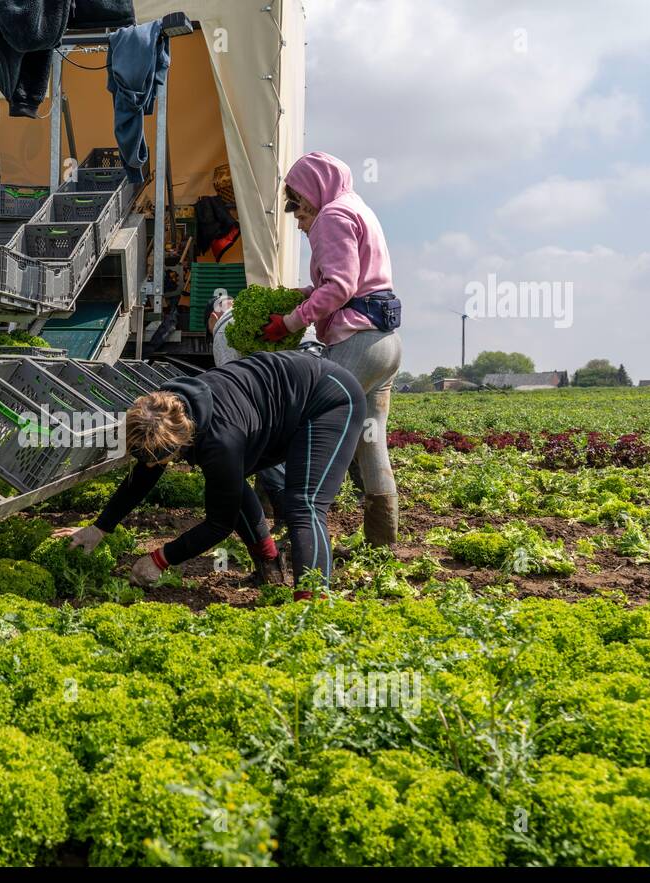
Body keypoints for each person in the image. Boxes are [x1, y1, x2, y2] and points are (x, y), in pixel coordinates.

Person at [58, 351, 365, 597]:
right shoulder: (166, 407)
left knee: (303, 504)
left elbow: (220, 523)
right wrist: (100, 527)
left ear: (180, 444)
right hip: (282, 406)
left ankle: (313, 608)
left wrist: (161, 558)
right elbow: (147, 469)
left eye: (159, 460)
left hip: (329, 399)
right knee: (228, 483)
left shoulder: (221, 442)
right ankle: (269, 565)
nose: (151, 467)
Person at [261, 152, 403, 547]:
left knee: (305, 429)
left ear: (313, 189)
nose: (299, 209)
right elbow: (354, 283)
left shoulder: (331, 217)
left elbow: (340, 288)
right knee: (370, 441)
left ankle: (296, 531)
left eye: (298, 199)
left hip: (355, 342)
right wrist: (305, 294)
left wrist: (289, 322)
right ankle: (382, 544)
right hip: (385, 343)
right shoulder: (358, 208)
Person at [207, 292, 287, 530]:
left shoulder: (223, 328)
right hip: (311, 375)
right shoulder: (254, 314)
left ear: (213, 317)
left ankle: (286, 519)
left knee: (262, 438)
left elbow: (233, 387)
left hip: (278, 394)